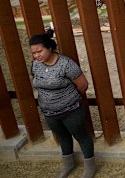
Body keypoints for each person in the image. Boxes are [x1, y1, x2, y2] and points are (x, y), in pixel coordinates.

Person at [29, 31, 96, 178]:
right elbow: (38, 83)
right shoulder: (35, 65)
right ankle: (68, 165)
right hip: (49, 112)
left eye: (39, 51)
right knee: (63, 137)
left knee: (81, 136)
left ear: (50, 48)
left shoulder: (66, 64)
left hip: (71, 110)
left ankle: (90, 168)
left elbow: (83, 86)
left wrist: (68, 99)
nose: (36, 55)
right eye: (34, 53)